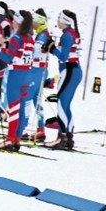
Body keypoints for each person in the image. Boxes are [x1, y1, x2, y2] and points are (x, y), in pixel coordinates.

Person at [0, 10, 35, 151]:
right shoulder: (29, 38)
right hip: (27, 74)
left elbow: (9, 58)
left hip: (16, 76)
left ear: (18, 22)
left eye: (14, 20)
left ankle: (10, 139)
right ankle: (17, 139)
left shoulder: (17, 38)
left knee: (14, 109)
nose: (12, 22)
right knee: (21, 109)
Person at [43, 9, 83, 150]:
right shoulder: (72, 33)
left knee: (61, 105)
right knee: (65, 105)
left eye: (59, 19)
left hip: (69, 70)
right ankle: (68, 137)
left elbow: (63, 56)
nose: (57, 21)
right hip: (73, 70)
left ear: (64, 21)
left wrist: (51, 47)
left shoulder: (67, 35)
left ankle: (63, 138)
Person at [22, 8, 51, 142]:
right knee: (35, 99)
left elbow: (36, 52)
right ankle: (40, 128)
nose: (32, 22)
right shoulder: (42, 33)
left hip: (36, 70)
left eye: (34, 20)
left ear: (38, 21)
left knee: (27, 98)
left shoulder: (42, 35)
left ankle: (23, 128)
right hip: (39, 70)